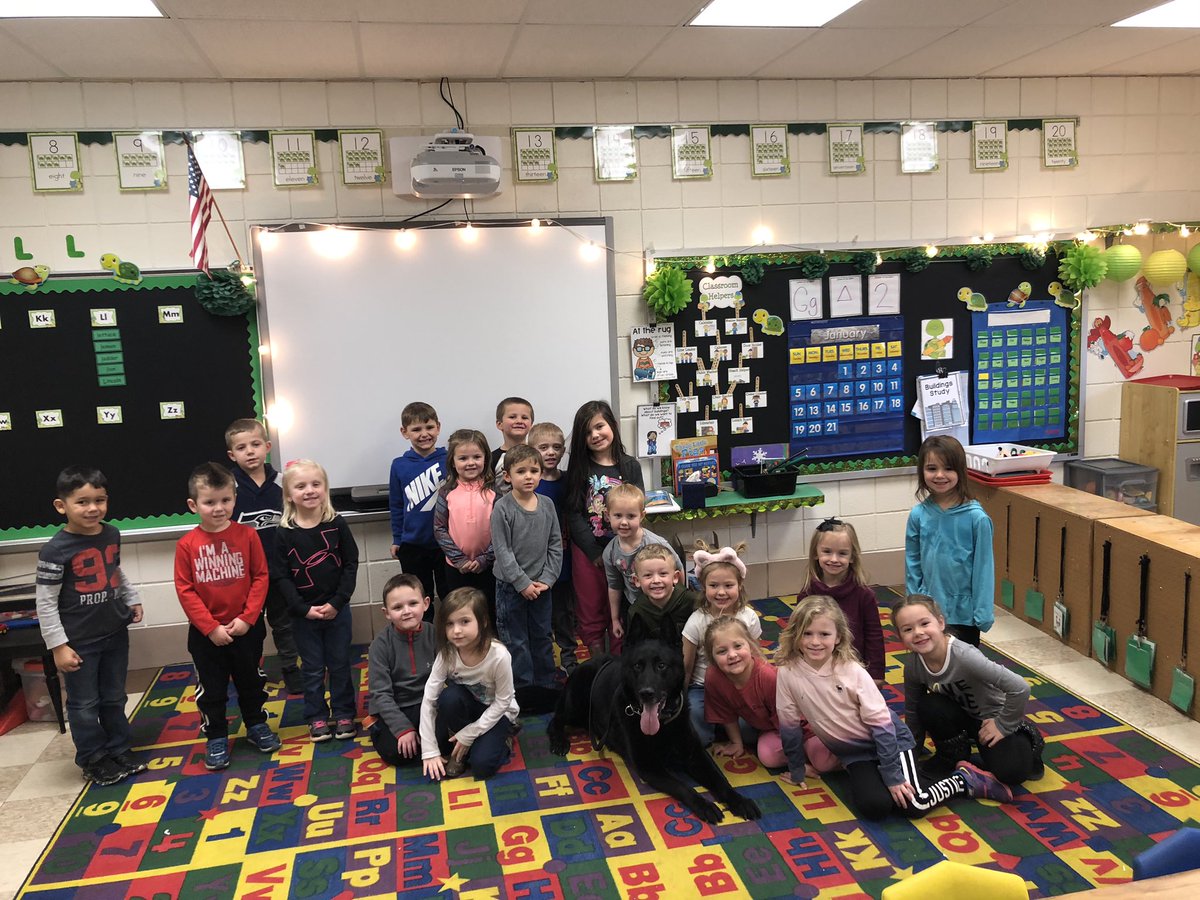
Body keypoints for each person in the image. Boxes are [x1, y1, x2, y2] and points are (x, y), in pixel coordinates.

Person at [775, 595, 1013, 821]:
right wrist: (796, 766)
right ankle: (894, 780)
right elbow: (789, 724)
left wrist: (891, 775)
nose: (815, 642)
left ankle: (964, 780)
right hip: (855, 754)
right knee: (875, 808)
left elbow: (882, 726)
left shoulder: (852, 671)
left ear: (838, 637)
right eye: (807, 634)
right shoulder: (787, 672)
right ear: (795, 635)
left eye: (824, 634)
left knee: (914, 804)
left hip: (891, 742)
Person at [35, 465, 145, 786]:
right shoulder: (55, 550)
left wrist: (131, 598)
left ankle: (119, 748)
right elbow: (45, 601)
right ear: (62, 506)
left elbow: (115, 571)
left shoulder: (111, 533)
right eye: (82, 502)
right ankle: (93, 758)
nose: (93, 508)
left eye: (100, 500)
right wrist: (58, 645)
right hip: (78, 642)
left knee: (114, 697)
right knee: (84, 704)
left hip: (114, 633)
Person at [174, 462, 281, 770]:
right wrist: (209, 628)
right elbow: (186, 591)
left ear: (235, 498)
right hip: (207, 635)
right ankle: (216, 735)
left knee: (252, 681)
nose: (219, 508)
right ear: (194, 505)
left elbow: (261, 577)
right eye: (210, 502)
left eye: (226, 500)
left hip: (246, 629)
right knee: (211, 688)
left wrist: (248, 618)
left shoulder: (248, 536)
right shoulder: (187, 545)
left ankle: (256, 724)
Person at [893, 594, 1045, 784]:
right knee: (928, 705)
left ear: (940, 623)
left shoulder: (964, 656)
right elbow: (912, 713)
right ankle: (953, 754)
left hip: (991, 719)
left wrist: (1003, 724)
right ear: (900, 637)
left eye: (924, 623)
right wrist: (910, 757)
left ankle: (1028, 738)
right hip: (959, 716)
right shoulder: (914, 666)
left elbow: (1020, 688)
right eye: (908, 629)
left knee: (1012, 774)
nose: (917, 632)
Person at [274, 459, 360, 742]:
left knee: (339, 663)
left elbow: (350, 563)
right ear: (289, 494)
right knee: (311, 668)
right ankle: (317, 717)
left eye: (315, 484)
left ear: (325, 488)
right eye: (300, 486)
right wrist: (302, 609)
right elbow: (281, 576)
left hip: (337, 610)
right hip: (303, 615)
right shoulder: (284, 533)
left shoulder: (336, 524)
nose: (309, 491)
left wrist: (338, 602)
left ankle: (345, 712)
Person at [225, 417, 302, 695]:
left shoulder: (284, 483)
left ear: (267, 447)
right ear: (232, 455)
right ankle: (251, 674)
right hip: (245, 577)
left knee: (284, 626)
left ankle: (292, 671)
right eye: (242, 447)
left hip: (280, 571)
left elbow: (296, 522)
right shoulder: (228, 488)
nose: (250, 451)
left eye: (256, 444)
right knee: (250, 627)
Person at [564, 399, 643, 659]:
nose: (595, 435)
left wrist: (632, 548)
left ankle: (621, 663)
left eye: (599, 426)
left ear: (613, 425)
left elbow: (638, 509)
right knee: (591, 609)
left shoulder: (630, 466)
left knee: (621, 606)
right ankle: (599, 665)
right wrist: (594, 552)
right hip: (588, 553)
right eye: (587, 432)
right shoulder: (578, 468)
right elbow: (574, 514)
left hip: (624, 550)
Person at [420, 587, 519, 781]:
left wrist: (469, 734)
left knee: (482, 767)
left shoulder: (498, 655)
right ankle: (465, 744)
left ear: (482, 622)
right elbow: (429, 699)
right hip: (469, 709)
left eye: (465, 622)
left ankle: (504, 738)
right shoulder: (447, 654)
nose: (456, 631)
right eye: (449, 624)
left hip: (499, 712)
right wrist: (429, 749)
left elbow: (503, 701)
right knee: (449, 697)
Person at [905, 435, 996, 646]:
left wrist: (982, 612)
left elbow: (984, 568)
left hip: (965, 615)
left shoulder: (977, 518)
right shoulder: (918, 515)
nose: (940, 475)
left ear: (961, 471)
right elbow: (913, 562)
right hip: (928, 611)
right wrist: (914, 603)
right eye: (931, 468)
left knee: (962, 670)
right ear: (922, 471)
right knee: (930, 668)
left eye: (948, 468)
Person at [490, 444, 562, 691]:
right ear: (508, 476)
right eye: (521, 471)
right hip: (511, 588)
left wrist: (549, 579)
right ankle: (522, 688)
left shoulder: (548, 505)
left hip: (542, 587)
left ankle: (545, 683)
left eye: (534, 470)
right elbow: (502, 551)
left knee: (542, 636)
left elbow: (555, 543)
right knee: (516, 640)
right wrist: (522, 583)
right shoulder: (502, 508)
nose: (528, 476)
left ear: (541, 474)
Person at [681, 543, 761, 745]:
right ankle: (715, 725)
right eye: (714, 586)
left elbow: (757, 658)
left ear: (739, 585)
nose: (721, 592)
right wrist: (681, 700)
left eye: (728, 585)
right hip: (703, 687)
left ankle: (725, 725)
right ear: (703, 586)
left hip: (740, 685)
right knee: (695, 731)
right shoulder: (696, 621)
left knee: (751, 734)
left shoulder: (749, 617)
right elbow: (687, 666)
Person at [796, 517, 885, 685]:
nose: (834, 559)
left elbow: (874, 636)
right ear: (816, 553)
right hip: (817, 670)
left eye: (842, 553)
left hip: (854, 672)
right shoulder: (807, 595)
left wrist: (876, 673)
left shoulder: (864, 595)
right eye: (827, 551)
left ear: (852, 556)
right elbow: (799, 636)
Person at [366, 573, 435, 766]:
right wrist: (402, 728)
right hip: (396, 705)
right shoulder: (379, 645)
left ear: (426, 603)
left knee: (446, 738)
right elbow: (381, 694)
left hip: (427, 704)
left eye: (413, 604)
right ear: (387, 612)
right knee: (393, 752)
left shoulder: (435, 635)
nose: (406, 611)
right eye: (397, 607)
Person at [601, 483, 682, 643]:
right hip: (634, 605)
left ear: (642, 516)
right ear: (607, 515)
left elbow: (678, 570)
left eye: (631, 516)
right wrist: (615, 619)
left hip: (663, 604)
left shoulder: (656, 544)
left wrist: (677, 604)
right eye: (618, 516)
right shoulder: (610, 552)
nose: (624, 522)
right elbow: (614, 585)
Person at [389, 401, 447, 619]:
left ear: (438, 427)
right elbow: (396, 505)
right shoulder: (399, 465)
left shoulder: (450, 459)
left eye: (429, 427)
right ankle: (425, 639)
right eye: (416, 429)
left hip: (445, 544)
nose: (424, 434)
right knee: (420, 598)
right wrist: (397, 538)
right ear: (405, 433)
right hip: (412, 545)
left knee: (449, 595)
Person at [703, 617, 785, 768]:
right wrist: (736, 743)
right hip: (764, 725)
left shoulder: (768, 677)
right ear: (712, 658)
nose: (732, 655)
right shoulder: (713, 676)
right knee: (763, 752)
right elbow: (725, 713)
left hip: (800, 726)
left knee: (819, 757)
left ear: (751, 645)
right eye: (722, 651)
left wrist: (797, 762)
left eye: (738, 646)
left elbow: (790, 722)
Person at [530, 421, 578, 675]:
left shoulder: (569, 481)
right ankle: (546, 664)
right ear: (531, 449)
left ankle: (570, 660)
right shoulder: (530, 484)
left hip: (565, 560)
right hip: (538, 565)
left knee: (564, 614)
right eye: (543, 447)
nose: (550, 452)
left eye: (556, 447)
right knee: (541, 617)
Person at [433, 429, 497, 615]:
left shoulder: (495, 492)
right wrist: (459, 559)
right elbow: (439, 528)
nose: (470, 463)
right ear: (452, 461)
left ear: (485, 457)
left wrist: (485, 559)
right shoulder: (446, 492)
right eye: (463, 458)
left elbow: (502, 530)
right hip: (456, 568)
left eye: (476, 456)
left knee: (489, 612)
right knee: (460, 613)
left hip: (489, 567)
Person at [623, 544, 697, 649]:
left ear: (675, 577)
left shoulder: (692, 602)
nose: (656, 580)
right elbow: (634, 649)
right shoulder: (636, 611)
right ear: (637, 581)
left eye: (663, 574)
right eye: (648, 575)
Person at [491, 396, 535, 479]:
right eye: (512, 417)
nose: (519, 421)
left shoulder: (538, 455)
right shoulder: (491, 459)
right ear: (499, 424)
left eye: (524, 417)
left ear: (531, 425)